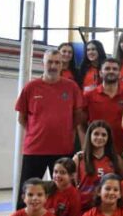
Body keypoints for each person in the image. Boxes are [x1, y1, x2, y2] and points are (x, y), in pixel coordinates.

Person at [15, 48, 85, 204]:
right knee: (27, 191)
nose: (53, 66)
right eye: (50, 62)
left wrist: (64, 129)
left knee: (64, 192)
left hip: (62, 149)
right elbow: (22, 117)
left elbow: (78, 115)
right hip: (35, 149)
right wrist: (37, 130)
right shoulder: (31, 87)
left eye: (57, 62)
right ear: (43, 63)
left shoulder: (71, 87)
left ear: (62, 65)